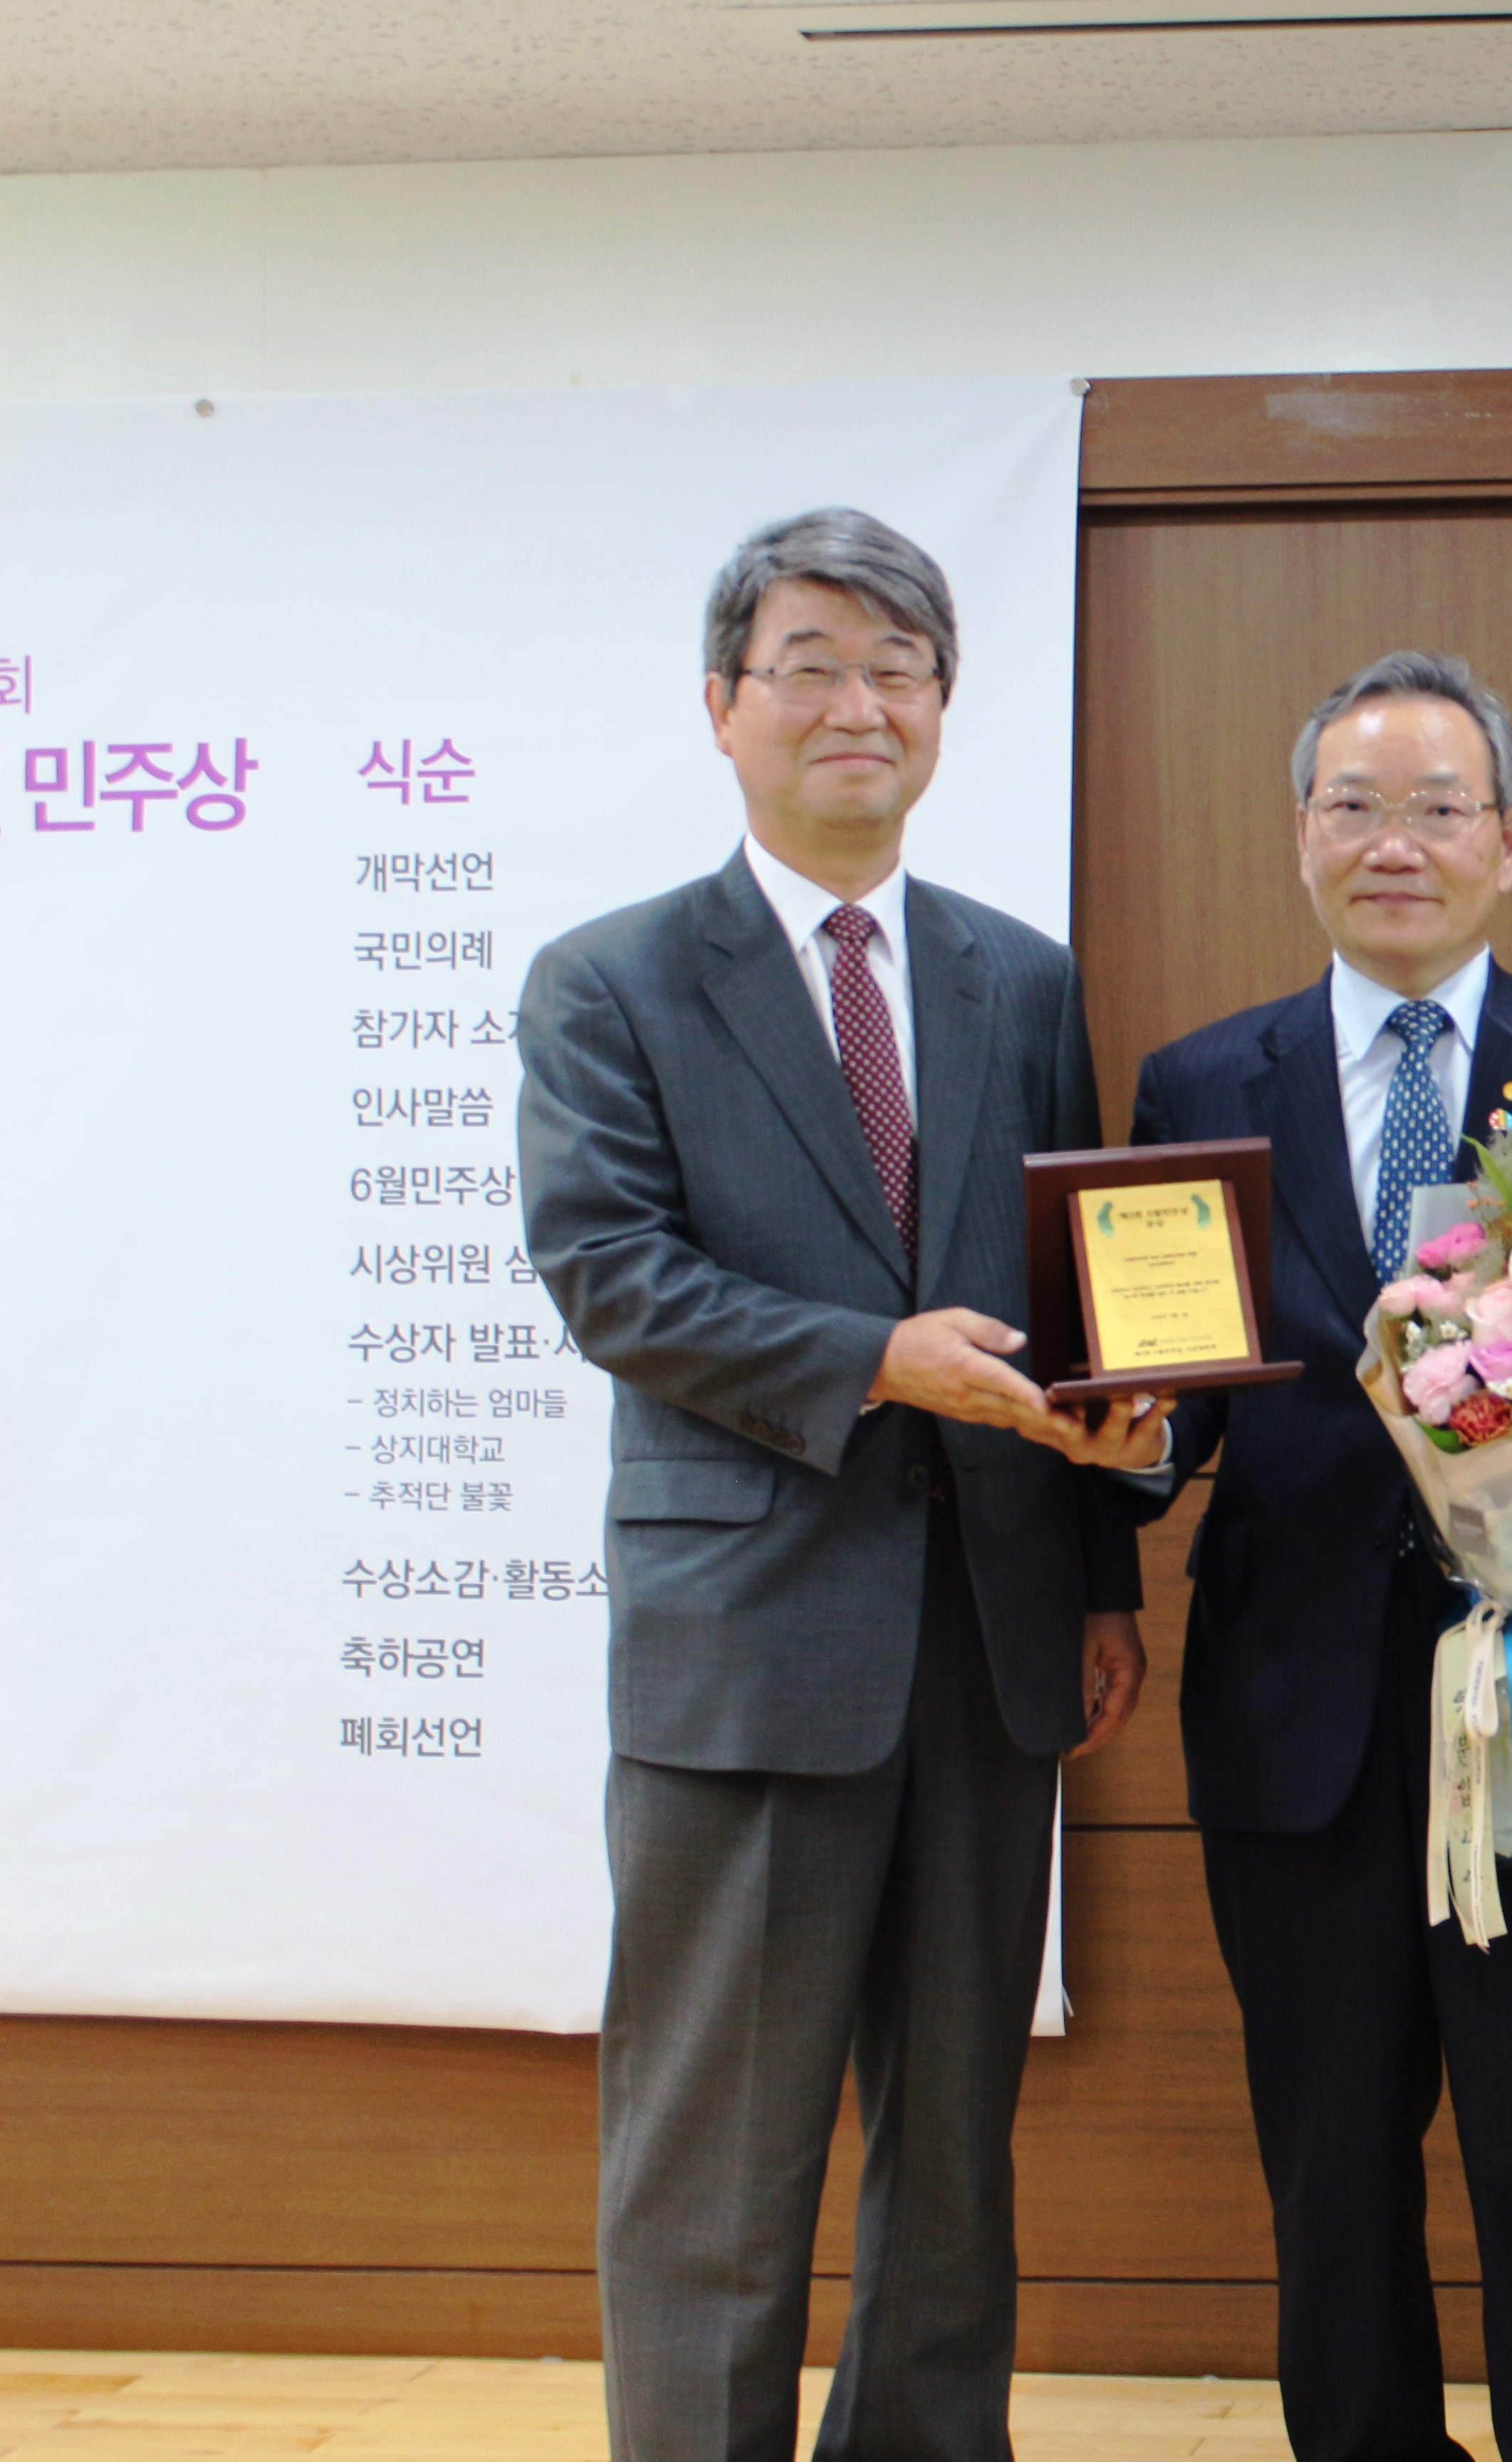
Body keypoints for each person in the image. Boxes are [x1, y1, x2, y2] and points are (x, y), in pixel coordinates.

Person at [519, 508, 1173, 2462]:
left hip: (990, 1647)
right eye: (809, 664)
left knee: (956, 2151)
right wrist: (870, 1363)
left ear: (946, 714)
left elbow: (1072, 1300)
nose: (855, 705)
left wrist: (1106, 1561)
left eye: (897, 670)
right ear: (724, 705)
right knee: (718, 2159)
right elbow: (611, 1273)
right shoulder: (612, 978)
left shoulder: (1018, 979)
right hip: (750, 1642)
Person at [1111, 651, 1512, 2462]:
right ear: (1302, 834)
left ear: (1510, 839)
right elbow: (1183, 1406)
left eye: (1437, 806)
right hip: (1297, 1709)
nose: (1394, 843)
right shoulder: (1197, 1081)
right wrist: (1131, 1448)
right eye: (1354, 806)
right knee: (1330, 2161)